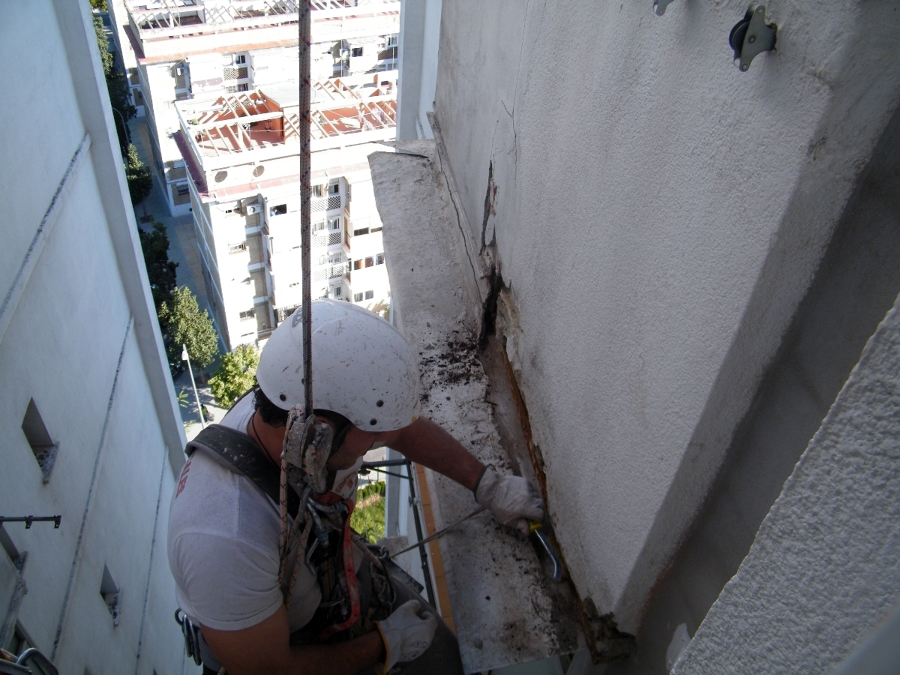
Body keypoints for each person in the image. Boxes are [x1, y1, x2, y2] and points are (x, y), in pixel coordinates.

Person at [167, 300, 545, 675]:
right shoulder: (223, 539)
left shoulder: (301, 413)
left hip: (332, 580)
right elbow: (270, 668)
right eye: (374, 436)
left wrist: (487, 485)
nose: (384, 439)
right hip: (287, 648)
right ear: (317, 437)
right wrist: (383, 645)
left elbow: (400, 428)